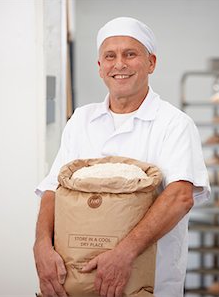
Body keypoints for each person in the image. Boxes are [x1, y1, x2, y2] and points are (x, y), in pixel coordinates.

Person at [33, 17, 210, 297]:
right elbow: (53, 189)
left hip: (148, 284)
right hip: (78, 284)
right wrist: (41, 246)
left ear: (151, 62)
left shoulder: (174, 123)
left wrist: (124, 254)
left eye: (130, 54)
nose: (119, 64)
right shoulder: (82, 119)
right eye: (110, 56)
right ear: (100, 67)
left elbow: (180, 197)